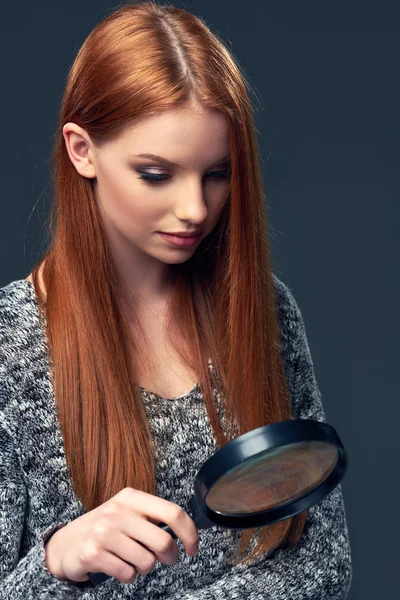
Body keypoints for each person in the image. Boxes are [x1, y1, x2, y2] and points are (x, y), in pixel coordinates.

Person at [0, 1, 353, 598]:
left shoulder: (266, 310)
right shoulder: (9, 347)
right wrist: (55, 561)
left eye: (217, 173)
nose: (195, 209)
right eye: (157, 174)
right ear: (82, 151)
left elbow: (321, 563)